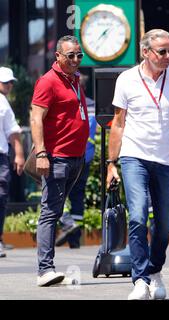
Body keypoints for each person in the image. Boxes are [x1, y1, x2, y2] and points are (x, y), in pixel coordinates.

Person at [107, 29, 169, 300]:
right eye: (161, 51)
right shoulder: (126, 79)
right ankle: (139, 280)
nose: (167, 56)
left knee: (164, 226)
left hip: (166, 159)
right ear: (145, 52)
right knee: (138, 216)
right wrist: (111, 164)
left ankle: (154, 270)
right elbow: (118, 123)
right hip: (133, 155)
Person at [30, 35, 89, 286]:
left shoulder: (74, 80)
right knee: (50, 212)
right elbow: (35, 119)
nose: (76, 60)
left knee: (59, 210)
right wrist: (42, 153)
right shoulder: (48, 81)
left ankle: (48, 266)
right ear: (58, 57)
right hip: (57, 158)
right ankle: (45, 270)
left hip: (76, 157)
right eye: (70, 56)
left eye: (79, 55)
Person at [55, 74, 97, 249]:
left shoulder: (70, 102)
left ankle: (67, 222)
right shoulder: (94, 106)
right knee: (77, 195)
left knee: (57, 191)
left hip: (68, 154)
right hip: (86, 156)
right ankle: (75, 238)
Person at [0, 67, 25, 258]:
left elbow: (12, 132)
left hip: (1, 156)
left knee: (1, 197)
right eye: (5, 82)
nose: (9, 86)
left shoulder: (3, 103)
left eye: (10, 82)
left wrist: (19, 155)